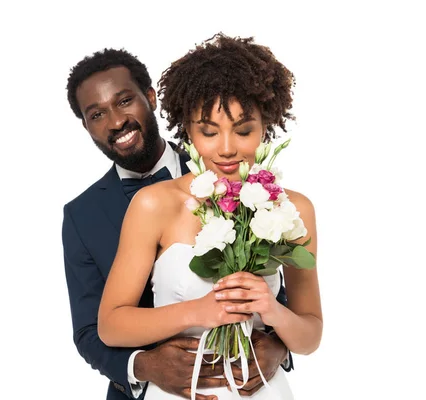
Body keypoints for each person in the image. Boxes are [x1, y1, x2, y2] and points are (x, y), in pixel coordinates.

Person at [98, 34, 322, 399]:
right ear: (187, 129)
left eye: (244, 130)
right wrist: (199, 312)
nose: (228, 148)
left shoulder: (294, 209)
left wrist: (272, 313)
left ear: (266, 125)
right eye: (208, 131)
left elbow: (310, 336)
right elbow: (111, 325)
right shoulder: (154, 204)